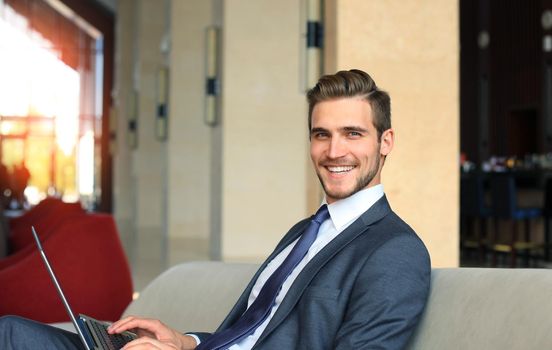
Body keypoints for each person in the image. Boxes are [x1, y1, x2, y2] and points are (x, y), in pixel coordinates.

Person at [0, 69, 430, 349]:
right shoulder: (305, 232)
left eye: (353, 133)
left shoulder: (394, 251)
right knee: (12, 333)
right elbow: (252, 334)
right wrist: (182, 341)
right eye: (322, 134)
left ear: (385, 141)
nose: (334, 151)